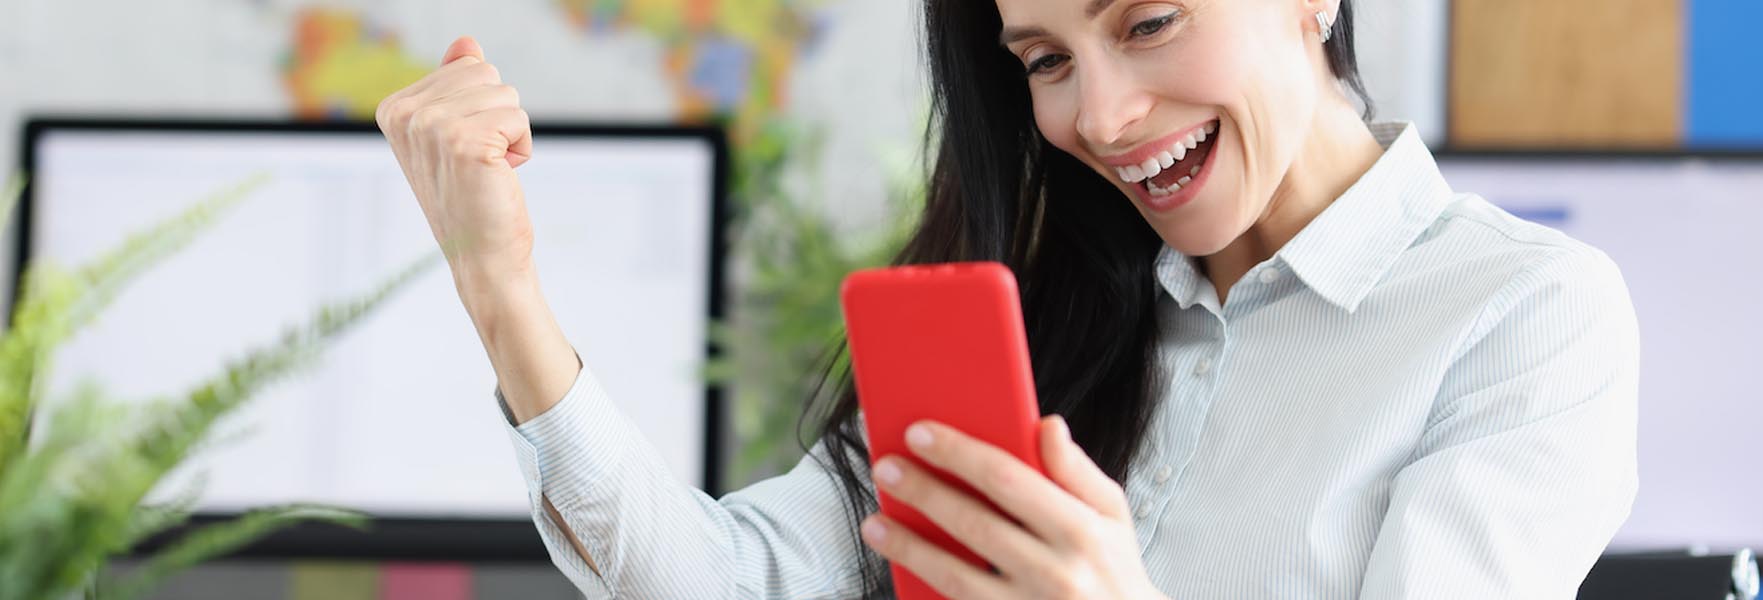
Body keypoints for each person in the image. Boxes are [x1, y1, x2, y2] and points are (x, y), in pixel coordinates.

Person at [376, 0, 1639, 597]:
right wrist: (501, 289)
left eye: (1146, 23)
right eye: (1044, 60)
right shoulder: (1039, 305)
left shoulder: (1522, 316)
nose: (1096, 116)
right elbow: (722, 585)